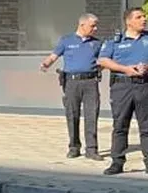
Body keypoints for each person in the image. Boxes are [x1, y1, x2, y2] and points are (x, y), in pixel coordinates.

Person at [96, 7, 148, 176]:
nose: (144, 19)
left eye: (144, 16)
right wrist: (125, 69)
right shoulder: (115, 40)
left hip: (146, 85)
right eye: (139, 17)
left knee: (147, 127)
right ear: (128, 21)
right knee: (120, 126)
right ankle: (117, 162)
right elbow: (103, 60)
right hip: (122, 87)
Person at [40, 13, 103, 160]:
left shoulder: (97, 43)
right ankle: (74, 147)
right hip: (71, 83)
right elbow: (53, 56)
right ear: (82, 25)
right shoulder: (66, 40)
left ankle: (92, 149)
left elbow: (103, 61)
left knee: (91, 115)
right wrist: (45, 64)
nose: (95, 28)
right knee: (72, 115)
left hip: (90, 82)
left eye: (95, 25)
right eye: (92, 25)